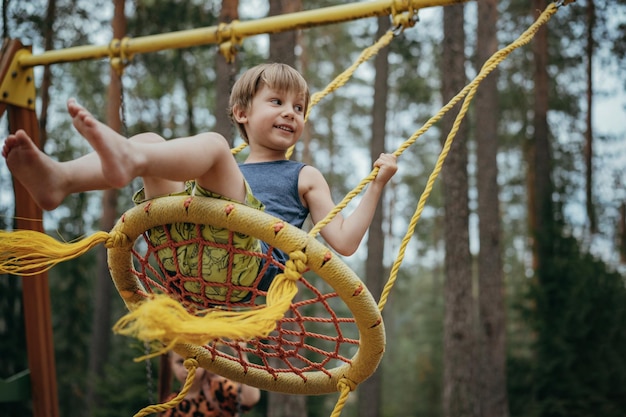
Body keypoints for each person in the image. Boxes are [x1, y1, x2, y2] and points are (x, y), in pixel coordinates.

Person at [2, 63, 397, 301]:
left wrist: (376, 184)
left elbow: (343, 241)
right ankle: (62, 180)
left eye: (299, 107)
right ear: (241, 112)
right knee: (152, 142)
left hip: (248, 267)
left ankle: (130, 160)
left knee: (211, 145)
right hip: (185, 259)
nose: (291, 113)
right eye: (277, 102)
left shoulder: (303, 174)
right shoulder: (229, 171)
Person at [163, 351, 260, 417]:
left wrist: (242, 357)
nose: (187, 368)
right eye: (180, 362)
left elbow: (250, 398)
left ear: (205, 363)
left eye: (195, 362)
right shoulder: (170, 404)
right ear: (170, 363)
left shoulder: (217, 388)